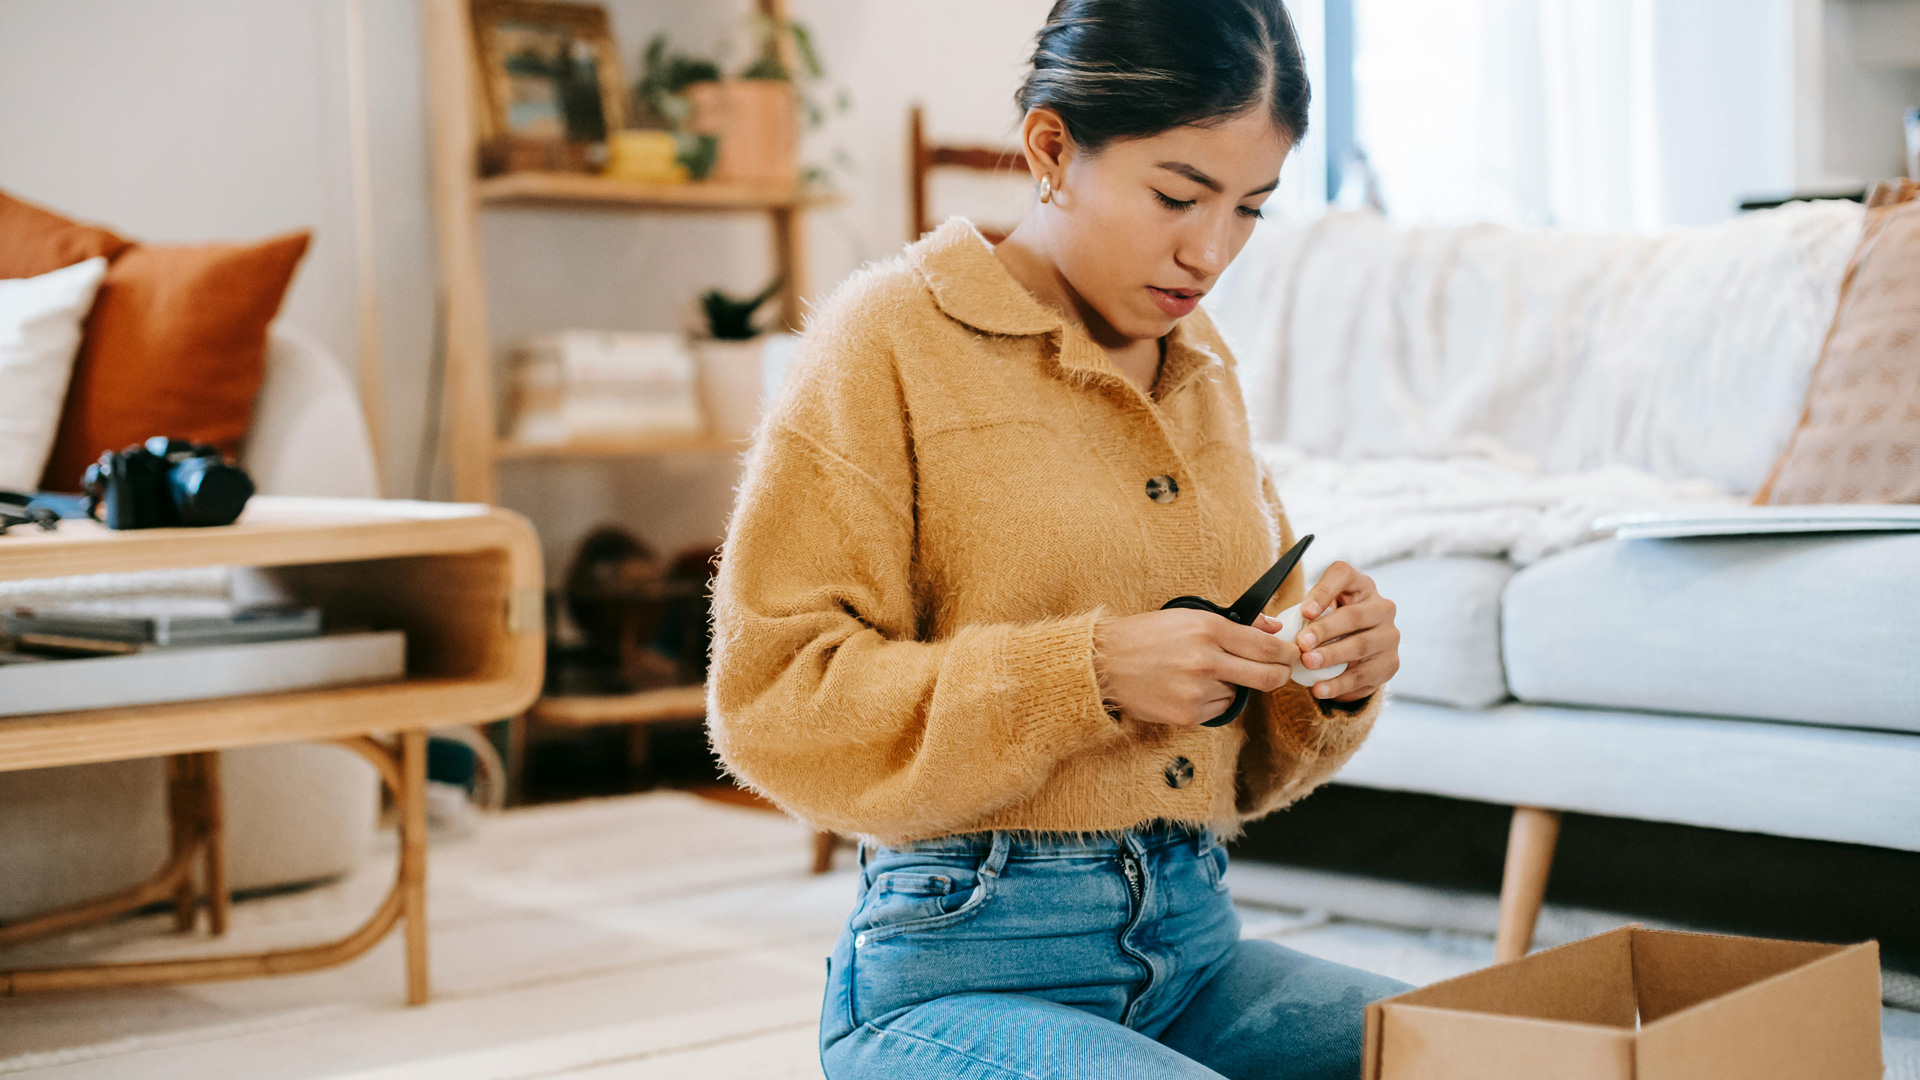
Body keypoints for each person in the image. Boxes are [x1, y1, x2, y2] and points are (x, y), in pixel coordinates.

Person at [705, 0, 1408, 1075]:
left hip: (1196, 954)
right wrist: (1088, 674)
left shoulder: (1198, 362)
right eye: (1178, 195)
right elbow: (774, 703)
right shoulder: (886, 338)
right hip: (959, 971)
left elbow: (1247, 768)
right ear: (1051, 148)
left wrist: (1323, 674)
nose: (1209, 250)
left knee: (1499, 1046)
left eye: (1251, 209)